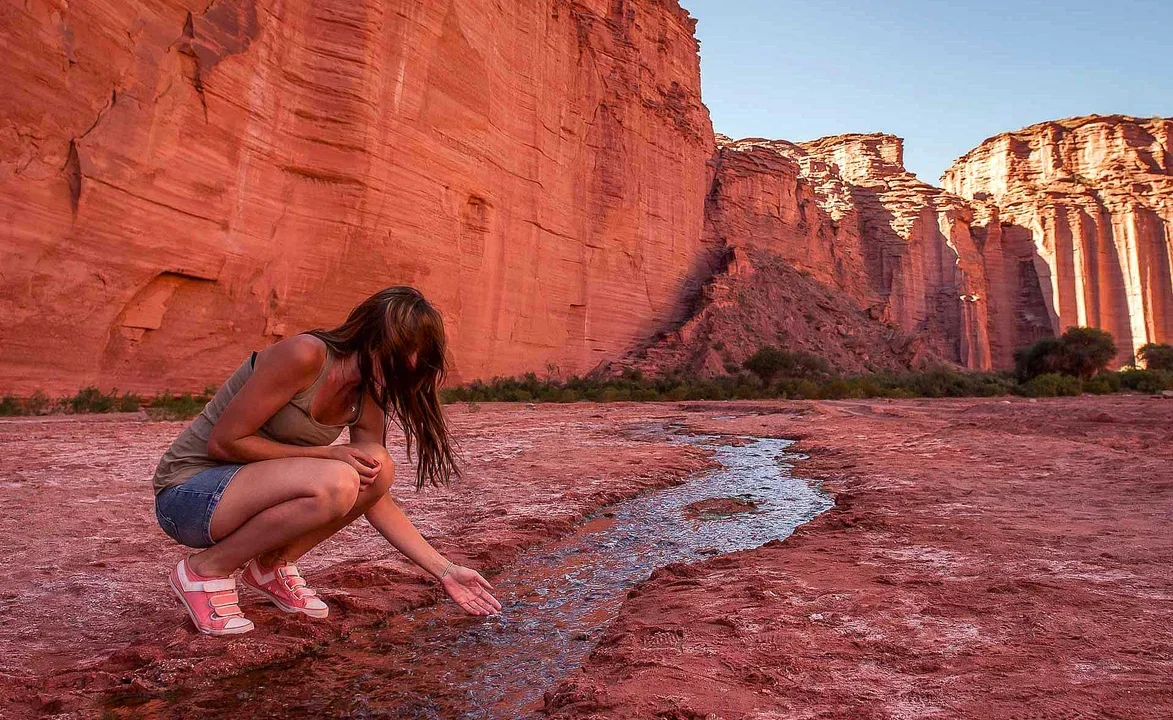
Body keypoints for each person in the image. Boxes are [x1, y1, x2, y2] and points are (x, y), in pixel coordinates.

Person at [151, 286, 501, 635]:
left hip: (245, 495)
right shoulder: (306, 354)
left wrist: (444, 569)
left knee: (377, 466)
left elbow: (374, 492)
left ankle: (271, 566)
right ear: (375, 338)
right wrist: (327, 453)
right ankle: (204, 569)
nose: (407, 371)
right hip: (189, 496)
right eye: (403, 358)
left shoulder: (368, 393)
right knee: (336, 479)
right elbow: (225, 443)